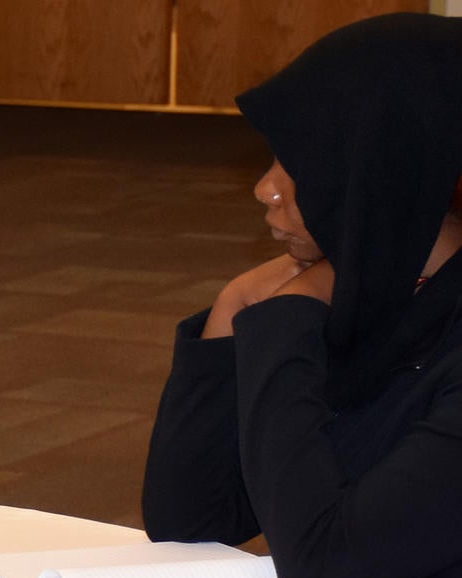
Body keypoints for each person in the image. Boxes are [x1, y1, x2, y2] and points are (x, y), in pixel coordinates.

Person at [141, 13, 462, 578]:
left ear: (384, 171)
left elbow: (325, 564)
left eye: (302, 163)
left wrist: (287, 319)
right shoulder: (388, 300)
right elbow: (190, 516)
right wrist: (235, 306)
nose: (265, 188)